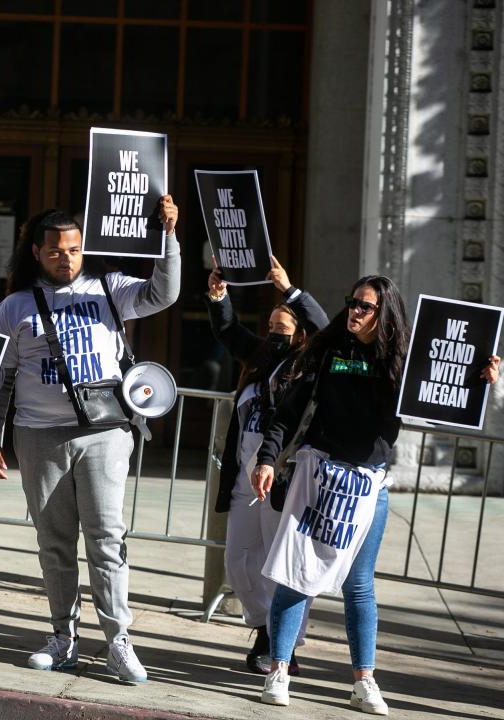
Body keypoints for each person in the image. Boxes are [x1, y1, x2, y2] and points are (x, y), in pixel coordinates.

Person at [250, 276, 499, 713]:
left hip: (368, 487)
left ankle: (364, 681)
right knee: (296, 576)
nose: (355, 311)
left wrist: (480, 381)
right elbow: (289, 410)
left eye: (365, 307)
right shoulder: (328, 350)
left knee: (359, 586)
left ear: (384, 315)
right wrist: (268, 458)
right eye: (352, 303)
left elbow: (442, 399)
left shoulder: (401, 362)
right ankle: (279, 669)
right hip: (318, 476)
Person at [0, 201, 180, 685]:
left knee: (107, 539)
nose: (66, 258)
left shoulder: (110, 288)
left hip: (104, 434)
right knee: (54, 543)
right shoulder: (15, 307)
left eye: (73, 249)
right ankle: (63, 638)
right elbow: (1, 378)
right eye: (55, 251)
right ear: (36, 252)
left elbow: (165, 293)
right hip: (37, 437)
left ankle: (118, 641)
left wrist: (169, 237)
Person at [205, 255, 328, 674]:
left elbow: (328, 332)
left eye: (284, 329)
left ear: (300, 335)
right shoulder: (258, 360)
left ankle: (283, 642)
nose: (275, 335)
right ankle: (264, 624)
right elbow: (226, 329)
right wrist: (219, 295)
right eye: (271, 327)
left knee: (283, 565)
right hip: (245, 477)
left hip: (285, 477)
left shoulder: (308, 366)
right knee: (239, 562)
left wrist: (290, 290)